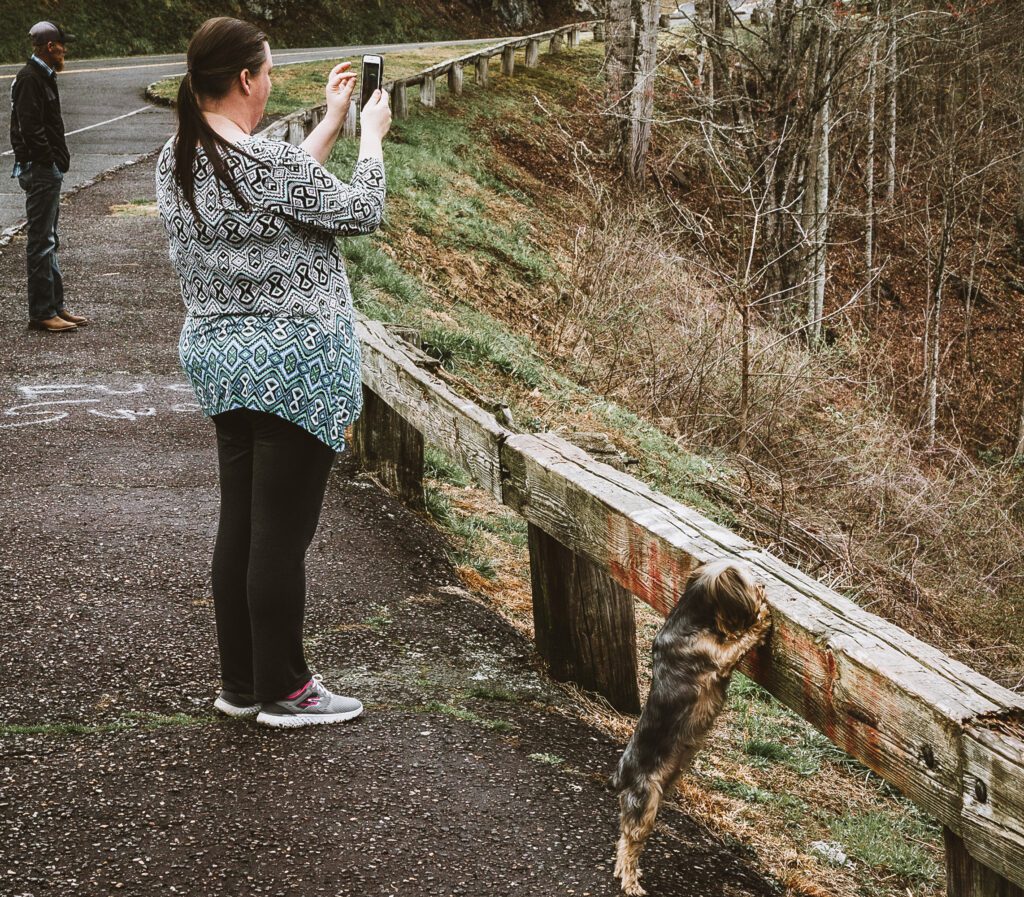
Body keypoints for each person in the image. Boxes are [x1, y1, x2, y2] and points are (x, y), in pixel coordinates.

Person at [155, 17, 391, 728]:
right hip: (293, 372)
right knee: (281, 538)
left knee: (243, 527)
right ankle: (286, 688)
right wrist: (371, 137)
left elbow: (271, 187)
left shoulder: (177, 159)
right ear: (247, 80)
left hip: (223, 366)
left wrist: (331, 118)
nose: (270, 82)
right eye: (268, 71)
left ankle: (242, 681)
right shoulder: (271, 166)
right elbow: (358, 209)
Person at [9, 21, 90, 332]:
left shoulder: (42, 75)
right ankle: (42, 312)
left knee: (49, 240)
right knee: (41, 241)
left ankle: (55, 306)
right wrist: (49, 161)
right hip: (40, 169)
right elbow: (31, 128)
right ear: (50, 47)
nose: (65, 50)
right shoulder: (30, 78)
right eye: (61, 45)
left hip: (46, 168)